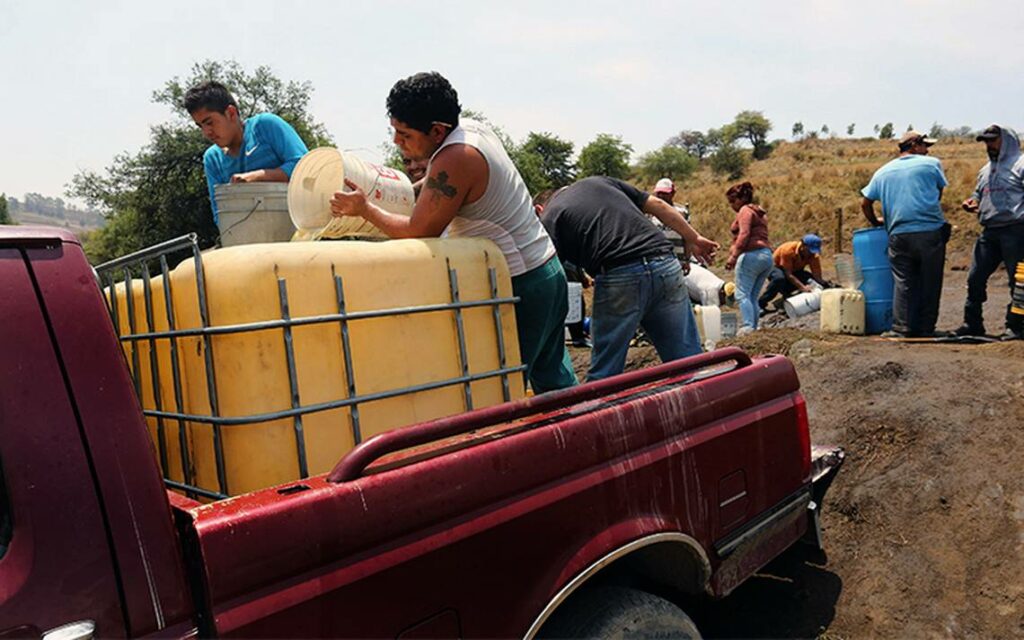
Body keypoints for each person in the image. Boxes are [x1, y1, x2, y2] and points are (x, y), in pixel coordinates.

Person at [328, 72, 576, 393]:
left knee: (501, 390)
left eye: (404, 134)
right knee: (553, 381)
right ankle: (585, 438)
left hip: (521, 284)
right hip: (546, 271)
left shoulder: (456, 157)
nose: (396, 142)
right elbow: (437, 185)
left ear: (436, 131)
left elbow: (418, 232)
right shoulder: (470, 130)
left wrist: (366, 210)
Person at [535, 177, 718, 381]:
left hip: (620, 274)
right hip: (665, 263)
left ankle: (599, 409)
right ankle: (702, 405)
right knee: (687, 361)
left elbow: (550, 272)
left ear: (538, 209)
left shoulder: (550, 216)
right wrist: (694, 238)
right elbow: (657, 205)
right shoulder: (600, 182)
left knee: (606, 369)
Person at [861, 130, 950, 338]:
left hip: (899, 233)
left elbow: (865, 202)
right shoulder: (931, 164)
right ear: (914, 145)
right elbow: (938, 193)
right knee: (930, 280)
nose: (927, 150)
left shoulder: (882, 172)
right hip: (929, 232)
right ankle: (926, 328)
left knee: (903, 281)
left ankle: (902, 328)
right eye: (925, 145)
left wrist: (876, 221)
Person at [184, 81, 309, 226]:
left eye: (210, 122)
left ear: (231, 113)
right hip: (249, 242)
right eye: (200, 126)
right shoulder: (212, 159)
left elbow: (305, 169)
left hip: (297, 233)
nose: (206, 133)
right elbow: (220, 214)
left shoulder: (266, 126)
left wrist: (257, 177)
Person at [956, 125, 1024, 341]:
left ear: (1006, 140)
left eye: (993, 140)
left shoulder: (1021, 164)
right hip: (990, 231)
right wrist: (972, 202)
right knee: (975, 277)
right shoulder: (985, 170)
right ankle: (972, 323)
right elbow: (978, 194)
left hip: (1016, 231)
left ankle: (1016, 326)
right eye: (986, 141)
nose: (989, 145)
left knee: (1019, 281)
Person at [724, 182, 773, 334]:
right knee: (752, 295)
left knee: (742, 294)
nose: (732, 205)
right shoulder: (759, 211)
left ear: (741, 199)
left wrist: (733, 255)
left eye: (733, 201)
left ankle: (747, 326)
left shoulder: (745, 210)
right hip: (766, 256)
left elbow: (744, 234)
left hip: (752, 255)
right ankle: (754, 326)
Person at [759, 234, 826, 312]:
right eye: (810, 250)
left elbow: (817, 276)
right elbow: (788, 274)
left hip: (795, 270)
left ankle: (787, 295)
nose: (811, 253)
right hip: (776, 268)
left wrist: (823, 285)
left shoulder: (813, 255)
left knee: (809, 279)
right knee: (779, 279)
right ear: (803, 245)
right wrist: (802, 287)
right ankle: (760, 304)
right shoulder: (788, 250)